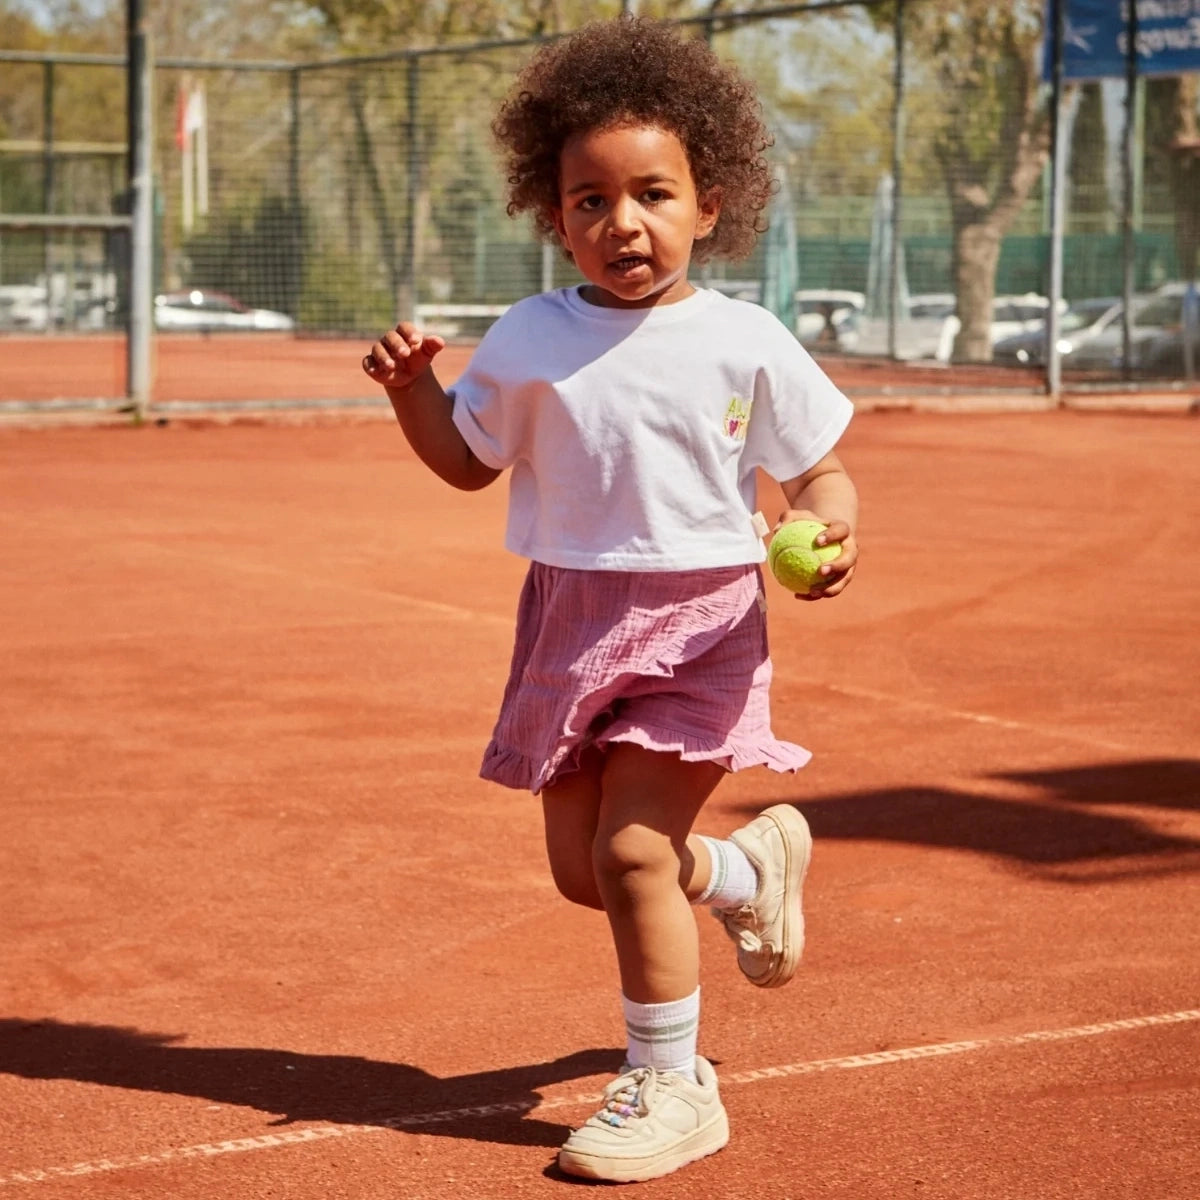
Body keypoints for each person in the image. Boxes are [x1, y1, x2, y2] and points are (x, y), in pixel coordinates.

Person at [362, 16, 859, 1184]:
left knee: (634, 852)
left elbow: (822, 467)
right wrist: (413, 392)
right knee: (586, 871)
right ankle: (747, 874)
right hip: (570, 620)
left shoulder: (746, 338)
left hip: (702, 622)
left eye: (651, 193)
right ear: (554, 213)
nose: (620, 221)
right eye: (588, 200)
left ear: (708, 204)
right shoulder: (531, 337)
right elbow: (468, 460)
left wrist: (833, 531)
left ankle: (671, 1081)